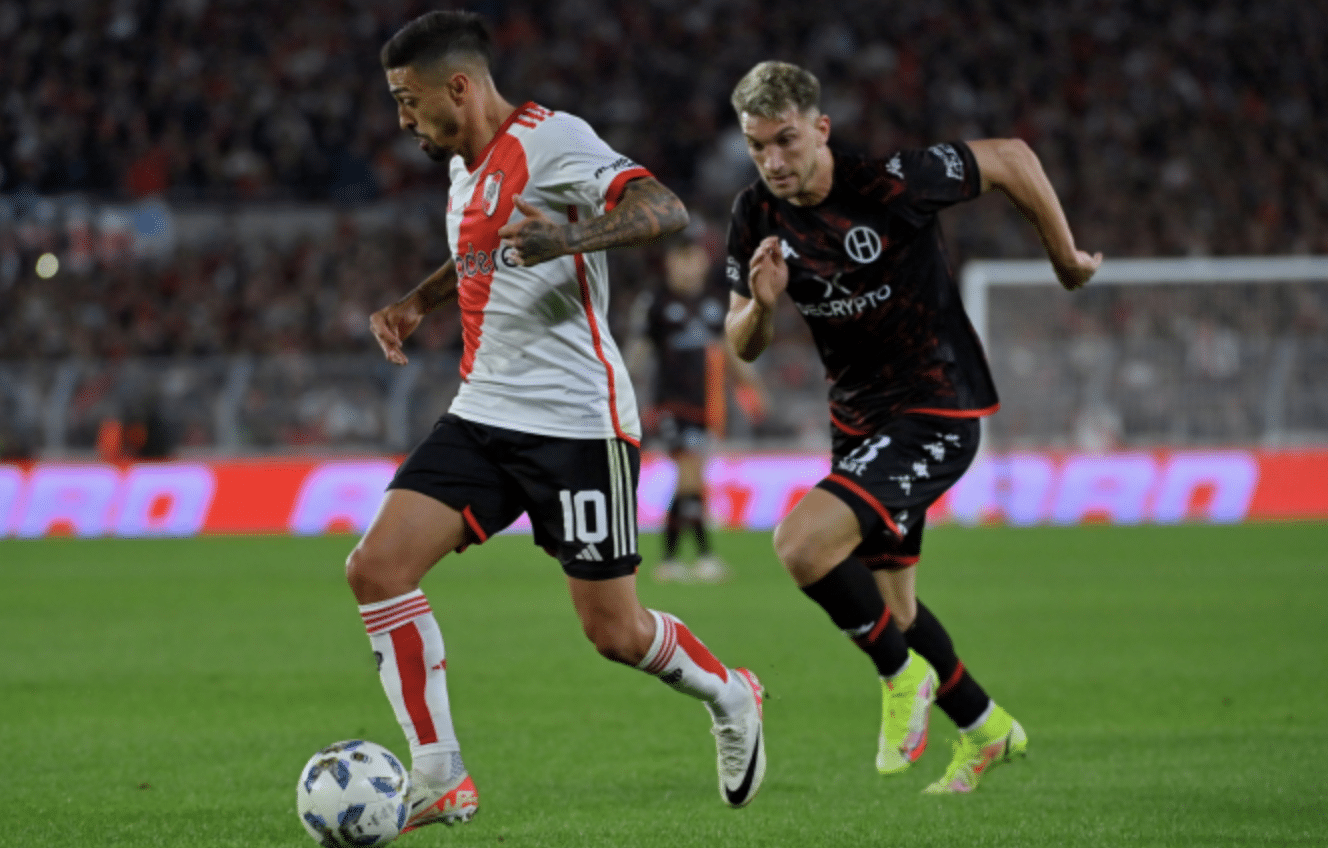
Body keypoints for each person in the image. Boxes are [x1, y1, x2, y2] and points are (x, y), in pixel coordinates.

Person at [349, 12, 768, 831]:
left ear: (459, 88)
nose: (402, 119)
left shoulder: (552, 140)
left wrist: (573, 237)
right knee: (375, 570)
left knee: (613, 632)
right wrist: (417, 303)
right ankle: (441, 777)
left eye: (408, 100)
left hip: (578, 424)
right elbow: (481, 254)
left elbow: (665, 208)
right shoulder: (464, 169)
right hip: (482, 413)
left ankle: (730, 693)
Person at [723, 61, 1101, 794]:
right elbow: (741, 344)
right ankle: (985, 725)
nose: (773, 160)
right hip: (859, 420)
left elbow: (1012, 158)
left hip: (936, 405)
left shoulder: (889, 182)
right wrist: (763, 305)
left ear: (821, 130)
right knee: (893, 605)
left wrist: (1064, 258)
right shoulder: (755, 216)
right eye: (757, 145)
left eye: (787, 141)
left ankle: (901, 679)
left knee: (801, 545)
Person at [626, 226, 768, 584]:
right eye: (682, 260)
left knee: (693, 482)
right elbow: (638, 353)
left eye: (694, 259)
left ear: (703, 263)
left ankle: (676, 560)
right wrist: (622, 389)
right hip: (670, 403)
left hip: (707, 404)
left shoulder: (714, 303)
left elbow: (730, 351)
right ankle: (697, 557)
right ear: (670, 264)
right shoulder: (656, 302)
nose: (689, 267)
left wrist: (751, 385)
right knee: (690, 475)